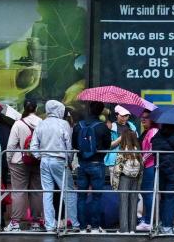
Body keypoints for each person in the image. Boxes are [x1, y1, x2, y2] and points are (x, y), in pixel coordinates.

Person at [31, 100, 80, 233]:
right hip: (59, 160)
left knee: (47, 193)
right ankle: (74, 223)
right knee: (68, 191)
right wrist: (69, 160)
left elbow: (33, 147)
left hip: (44, 161)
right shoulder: (64, 124)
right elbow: (68, 145)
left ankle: (50, 225)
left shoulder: (41, 124)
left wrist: (40, 156)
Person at [4, 100, 44, 232]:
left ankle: (15, 223)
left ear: (24, 108)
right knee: (36, 192)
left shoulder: (18, 124)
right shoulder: (42, 123)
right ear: (36, 108)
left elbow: (11, 145)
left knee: (19, 192)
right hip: (37, 161)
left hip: (19, 162)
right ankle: (36, 223)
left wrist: (9, 160)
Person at [72, 101, 112, 234]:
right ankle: (95, 227)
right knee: (96, 197)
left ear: (89, 109)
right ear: (101, 111)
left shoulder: (78, 126)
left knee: (81, 197)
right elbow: (107, 146)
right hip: (97, 164)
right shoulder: (103, 127)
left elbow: (74, 145)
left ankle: (82, 227)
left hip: (82, 164)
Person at [111, 129, 143, 234]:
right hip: (136, 178)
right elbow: (142, 167)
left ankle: (124, 229)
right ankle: (132, 229)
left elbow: (117, 169)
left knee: (124, 203)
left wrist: (114, 184)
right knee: (133, 202)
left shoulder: (122, 151)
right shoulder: (137, 151)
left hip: (124, 178)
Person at [136, 109, 159, 232]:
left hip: (150, 165)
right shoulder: (147, 131)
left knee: (148, 193)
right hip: (147, 166)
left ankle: (149, 221)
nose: (143, 119)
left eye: (146, 117)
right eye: (142, 117)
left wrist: (143, 159)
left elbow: (152, 149)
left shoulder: (153, 131)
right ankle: (146, 219)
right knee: (146, 193)